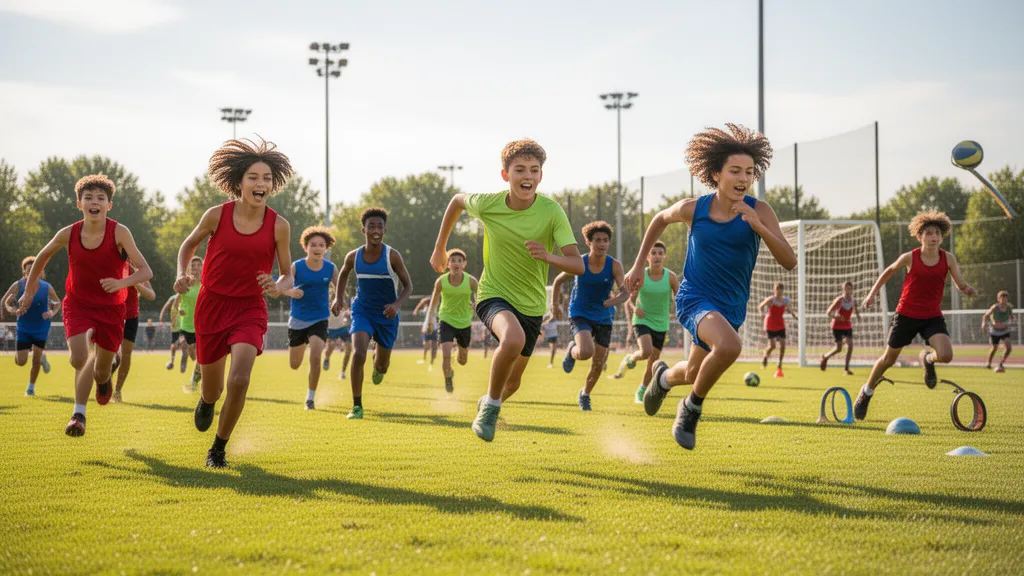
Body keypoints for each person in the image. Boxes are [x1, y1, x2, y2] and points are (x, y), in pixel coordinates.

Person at [624, 124, 795, 450]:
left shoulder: (760, 211)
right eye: (735, 171)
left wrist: (758, 226)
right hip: (695, 298)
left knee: (691, 372)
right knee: (729, 347)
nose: (743, 178)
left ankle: (661, 378)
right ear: (716, 174)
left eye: (749, 171)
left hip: (731, 306)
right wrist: (636, 264)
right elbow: (659, 219)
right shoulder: (695, 208)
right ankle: (690, 409)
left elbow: (789, 260)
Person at [430, 139, 583, 441]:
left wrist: (548, 256)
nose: (527, 176)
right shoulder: (489, 204)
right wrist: (440, 248)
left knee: (512, 384)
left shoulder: (552, 212)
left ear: (541, 176)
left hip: (532, 306)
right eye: (519, 169)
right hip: (493, 295)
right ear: (505, 175)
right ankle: (490, 410)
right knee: (512, 339)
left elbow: (577, 264)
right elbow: (458, 200)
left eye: (534, 170)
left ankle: (490, 400)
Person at [178, 138, 297, 468]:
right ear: (239, 182)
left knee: (240, 380)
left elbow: (288, 275)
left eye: (267, 178)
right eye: (254, 177)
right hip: (211, 306)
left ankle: (218, 448)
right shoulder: (216, 215)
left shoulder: (279, 225)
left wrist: (277, 286)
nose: (261, 184)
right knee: (214, 389)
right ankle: (206, 400)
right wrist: (181, 273)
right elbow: (188, 246)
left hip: (249, 308)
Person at [19, 173, 153, 436]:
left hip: (113, 309)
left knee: (101, 371)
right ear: (79, 203)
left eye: (100, 198)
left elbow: (145, 271)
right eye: (88, 197)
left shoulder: (120, 232)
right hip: (78, 305)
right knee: (79, 357)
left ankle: (104, 383)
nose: (95, 202)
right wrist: (29, 290)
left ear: (109, 205)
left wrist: (121, 283)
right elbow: (42, 257)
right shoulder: (69, 233)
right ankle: (78, 414)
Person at [855, 210, 976, 420]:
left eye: (937, 233)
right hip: (906, 315)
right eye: (928, 233)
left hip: (931, 316)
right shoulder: (910, 257)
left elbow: (959, 282)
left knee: (946, 355)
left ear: (942, 236)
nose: (933, 237)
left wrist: (966, 289)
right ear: (920, 236)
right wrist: (871, 294)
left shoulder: (948, 258)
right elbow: (889, 271)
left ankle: (927, 359)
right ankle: (866, 392)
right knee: (888, 360)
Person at [330, 207, 413, 420]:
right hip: (362, 311)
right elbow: (344, 274)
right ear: (363, 230)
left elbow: (408, 286)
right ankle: (357, 406)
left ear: (385, 229)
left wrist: (396, 304)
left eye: (380, 226)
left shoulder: (392, 256)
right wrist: (339, 298)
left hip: (387, 315)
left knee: (382, 366)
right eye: (371, 226)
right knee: (358, 353)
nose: (376, 230)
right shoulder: (354, 256)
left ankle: (380, 364)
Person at [551, 221, 629, 411]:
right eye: (597, 240)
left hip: (604, 316)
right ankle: (572, 350)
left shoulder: (614, 265)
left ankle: (585, 394)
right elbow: (557, 281)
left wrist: (614, 300)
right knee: (586, 351)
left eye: (605, 240)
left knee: (598, 364)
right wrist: (555, 307)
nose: (602, 244)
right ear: (588, 242)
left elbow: (625, 293)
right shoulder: (581, 263)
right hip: (580, 313)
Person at [615, 241, 679, 403]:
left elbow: (680, 298)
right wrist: (633, 307)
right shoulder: (640, 274)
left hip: (661, 323)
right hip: (642, 320)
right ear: (647, 257)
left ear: (664, 256)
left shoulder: (671, 277)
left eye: (660, 253)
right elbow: (628, 297)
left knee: (653, 360)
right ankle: (630, 359)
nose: (657, 256)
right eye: (653, 253)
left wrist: (676, 312)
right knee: (646, 351)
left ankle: (641, 390)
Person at [284, 225, 339, 410]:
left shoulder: (331, 268)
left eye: (321, 245)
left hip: (319, 318)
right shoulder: (296, 267)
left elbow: (340, 290)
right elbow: (282, 286)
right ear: (306, 247)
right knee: (294, 364)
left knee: (315, 356)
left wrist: (338, 301)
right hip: (298, 319)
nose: (317, 248)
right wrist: (291, 291)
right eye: (313, 245)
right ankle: (300, 346)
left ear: (326, 248)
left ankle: (310, 398)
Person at [2, 257, 60, 396]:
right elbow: (7, 303)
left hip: (41, 327)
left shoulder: (47, 287)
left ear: (40, 272)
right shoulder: (18, 285)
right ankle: (32, 354)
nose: (33, 273)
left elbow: (57, 302)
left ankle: (30, 388)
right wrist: (13, 311)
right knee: (21, 362)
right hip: (24, 328)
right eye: (29, 270)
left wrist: (51, 312)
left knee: (36, 360)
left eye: (36, 270)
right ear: (25, 272)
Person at [426, 248, 478, 393]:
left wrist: (476, 305)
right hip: (446, 320)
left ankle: (459, 354)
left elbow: (480, 300)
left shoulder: (471, 281)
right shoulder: (441, 282)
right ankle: (448, 380)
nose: (456, 263)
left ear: (464, 264)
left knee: (462, 361)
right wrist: (430, 320)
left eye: (459, 261)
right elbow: (434, 302)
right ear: (448, 264)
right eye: (452, 260)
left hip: (465, 322)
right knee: (446, 355)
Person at [112, 263, 156, 402]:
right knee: (111, 354)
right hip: (111, 314)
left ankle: (117, 390)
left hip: (131, 317)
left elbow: (151, 295)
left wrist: (136, 283)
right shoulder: (111, 263)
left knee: (126, 354)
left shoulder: (138, 269)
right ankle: (104, 381)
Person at [820, 281, 860, 375]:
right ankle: (825, 357)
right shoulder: (839, 300)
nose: (848, 291)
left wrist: (858, 315)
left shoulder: (853, 300)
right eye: (846, 289)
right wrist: (837, 317)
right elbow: (829, 312)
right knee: (839, 349)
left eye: (850, 289)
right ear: (843, 289)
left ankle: (846, 369)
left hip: (847, 325)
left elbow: (855, 309)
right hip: (837, 326)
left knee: (850, 345)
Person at [758, 282, 798, 378]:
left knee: (783, 345)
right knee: (772, 346)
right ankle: (765, 355)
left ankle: (779, 363)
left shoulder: (785, 300)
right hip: (770, 324)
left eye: (780, 289)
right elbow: (760, 306)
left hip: (780, 324)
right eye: (777, 289)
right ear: (774, 290)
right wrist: (761, 313)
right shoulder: (771, 299)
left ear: (782, 290)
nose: (778, 291)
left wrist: (794, 315)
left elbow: (789, 308)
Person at [176, 256, 203, 390]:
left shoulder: (206, 284)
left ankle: (194, 381)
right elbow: (177, 303)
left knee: (200, 357)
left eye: (199, 265)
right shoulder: (184, 283)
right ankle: (197, 376)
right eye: (194, 265)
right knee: (191, 354)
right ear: (189, 268)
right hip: (185, 324)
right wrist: (180, 309)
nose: (196, 268)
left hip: (201, 325)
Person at [982, 290, 1014, 372]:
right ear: (998, 299)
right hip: (995, 331)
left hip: (1005, 331)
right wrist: (984, 325)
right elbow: (986, 316)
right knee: (994, 348)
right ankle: (988, 363)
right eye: (1002, 299)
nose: (1004, 301)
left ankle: (1001, 363)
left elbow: (1011, 316)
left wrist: (1010, 321)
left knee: (1009, 347)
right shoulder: (995, 307)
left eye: (1006, 299)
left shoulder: (1009, 307)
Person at [324, 291, 352, 380]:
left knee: (349, 349)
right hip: (331, 329)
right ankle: (327, 358)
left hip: (343, 328)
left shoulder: (344, 304)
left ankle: (342, 372)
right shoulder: (327, 306)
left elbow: (348, 313)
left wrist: (348, 316)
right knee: (330, 348)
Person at [412, 296, 438, 369]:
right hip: (427, 328)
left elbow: (423, 301)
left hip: (433, 327)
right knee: (427, 345)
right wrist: (416, 310)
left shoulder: (433, 307)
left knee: (433, 345)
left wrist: (416, 310)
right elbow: (422, 301)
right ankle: (425, 359)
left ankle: (431, 360)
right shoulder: (426, 309)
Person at [158, 293, 183, 370]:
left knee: (182, 342)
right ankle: (172, 361)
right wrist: (161, 319)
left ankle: (183, 358)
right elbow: (165, 307)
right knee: (174, 345)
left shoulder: (187, 296)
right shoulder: (173, 298)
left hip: (184, 324)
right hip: (175, 326)